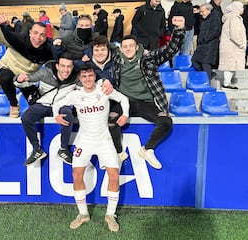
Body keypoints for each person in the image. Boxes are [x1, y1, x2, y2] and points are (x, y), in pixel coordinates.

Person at [52, 64, 129, 232]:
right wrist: (55, 115)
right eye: (84, 76)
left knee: (114, 175)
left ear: (95, 77)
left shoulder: (103, 90)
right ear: (80, 78)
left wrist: (125, 114)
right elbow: (56, 103)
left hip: (104, 141)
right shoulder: (75, 95)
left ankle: (110, 215)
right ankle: (83, 214)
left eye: (90, 76)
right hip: (84, 141)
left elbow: (124, 99)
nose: (87, 79)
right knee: (76, 174)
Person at [110, 16, 186, 170]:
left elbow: (170, 49)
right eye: (125, 46)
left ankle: (147, 149)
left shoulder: (148, 58)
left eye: (131, 46)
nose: (128, 49)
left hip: (146, 102)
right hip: (124, 102)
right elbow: (97, 52)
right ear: (121, 49)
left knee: (166, 122)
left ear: (137, 47)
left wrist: (178, 30)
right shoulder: (116, 61)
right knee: (110, 122)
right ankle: (119, 154)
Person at [17, 53, 78, 166]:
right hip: (44, 104)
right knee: (26, 118)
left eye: (69, 66)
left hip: (62, 105)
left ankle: (63, 150)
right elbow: (25, 80)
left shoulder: (75, 77)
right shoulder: (45, 73)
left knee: (67, 115)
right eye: (63, 66)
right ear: (57, 66)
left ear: (72, 67)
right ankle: (36, 149)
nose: (66, 69)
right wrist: (18, 79)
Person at [0, 16, 54, 118]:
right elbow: (0, 37)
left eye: (42, 35)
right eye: (35, 33)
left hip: (26, 78)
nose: (38, 38)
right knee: (5, 77)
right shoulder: (19, 39)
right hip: (9, 68)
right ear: (29, 32)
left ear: (46, 37)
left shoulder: (48, 49)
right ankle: (13, 104)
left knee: (37, 104)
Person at [218, 1, 246, 90]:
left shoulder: (230, 18)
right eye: (241, 7)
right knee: (230, 66)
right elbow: (235, 34)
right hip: (232, 47)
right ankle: (226, 84)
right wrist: (241, 44)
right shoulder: (234, 18)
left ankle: (227, 83)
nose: (243, 9)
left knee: (230, 66)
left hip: (230, 46)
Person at [191, 3, 222, 80]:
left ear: (209, 10)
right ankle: (210, 74)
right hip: (202, 44)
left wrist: (205, 38)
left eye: (203, 11)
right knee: (194, 61)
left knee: (206, 63)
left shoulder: (215, 17)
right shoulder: (204, 19)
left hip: (210, 44)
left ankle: (207, 81)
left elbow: (216, 31)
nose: (201, 14)